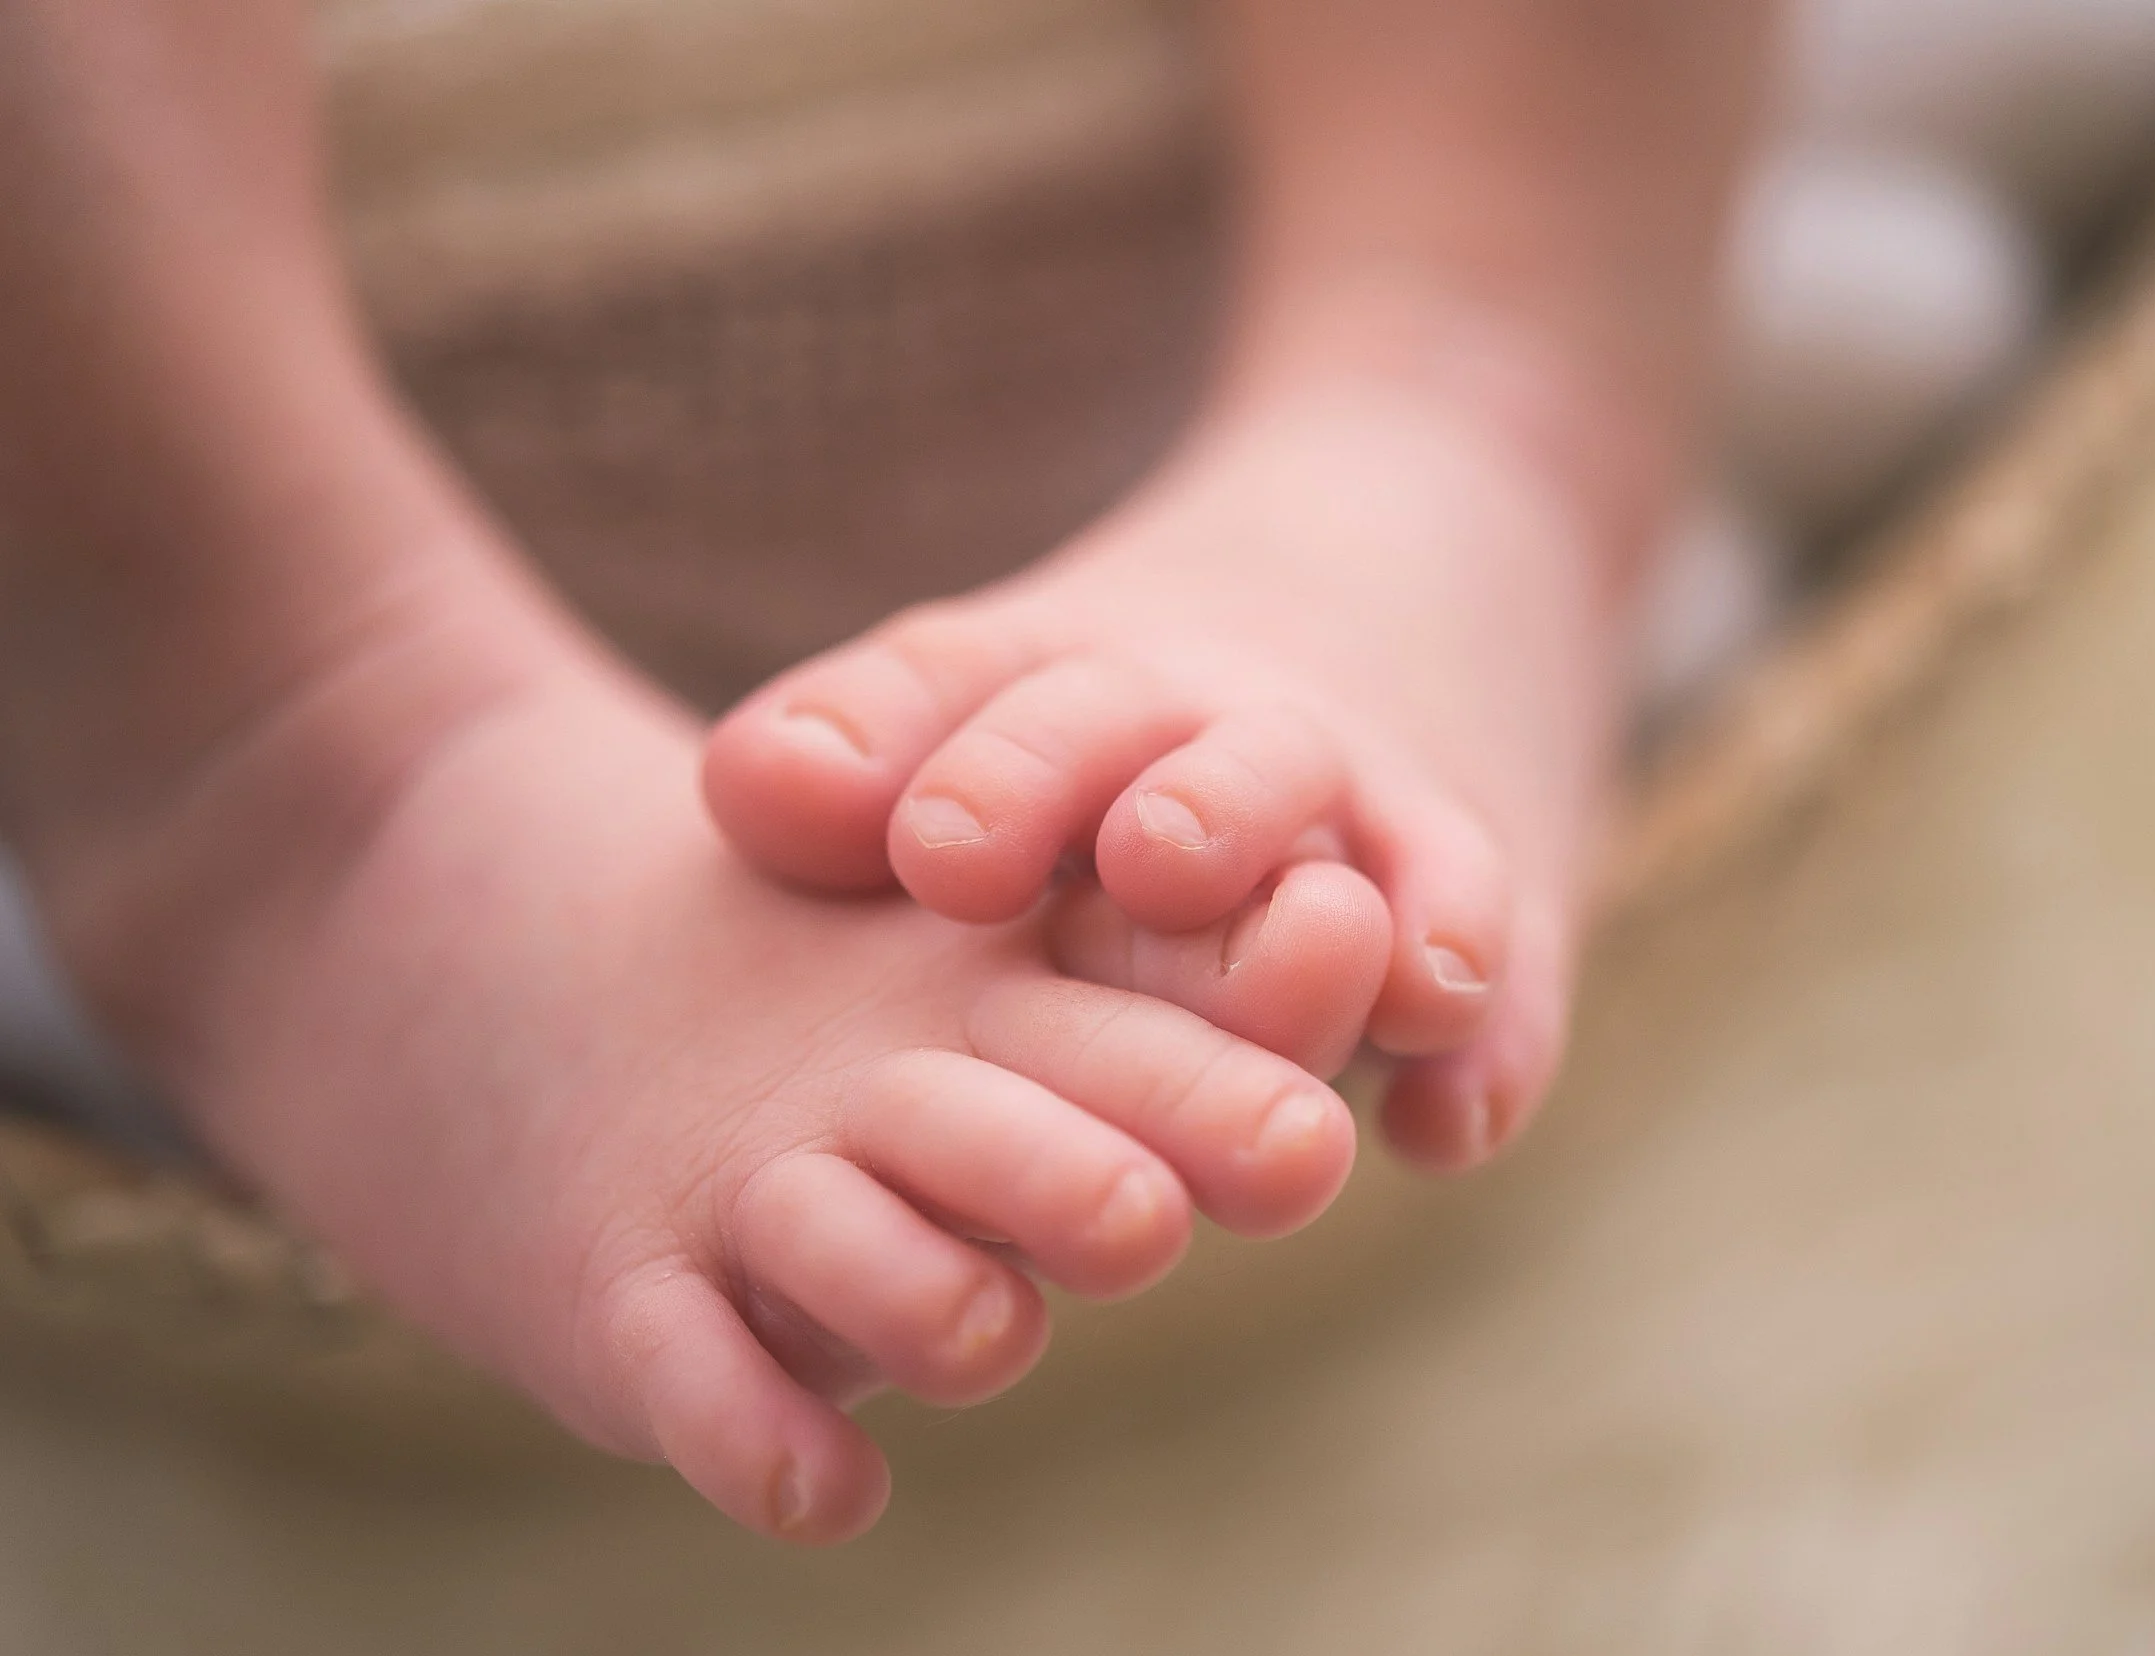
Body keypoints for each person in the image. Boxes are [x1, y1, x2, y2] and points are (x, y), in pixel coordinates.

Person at [0, 0, 1772, 1541]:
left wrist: (1437, 412)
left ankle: (1463, 381)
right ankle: (288, 746)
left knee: (1512, 250)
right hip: (152, 512)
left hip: (1235, 247)